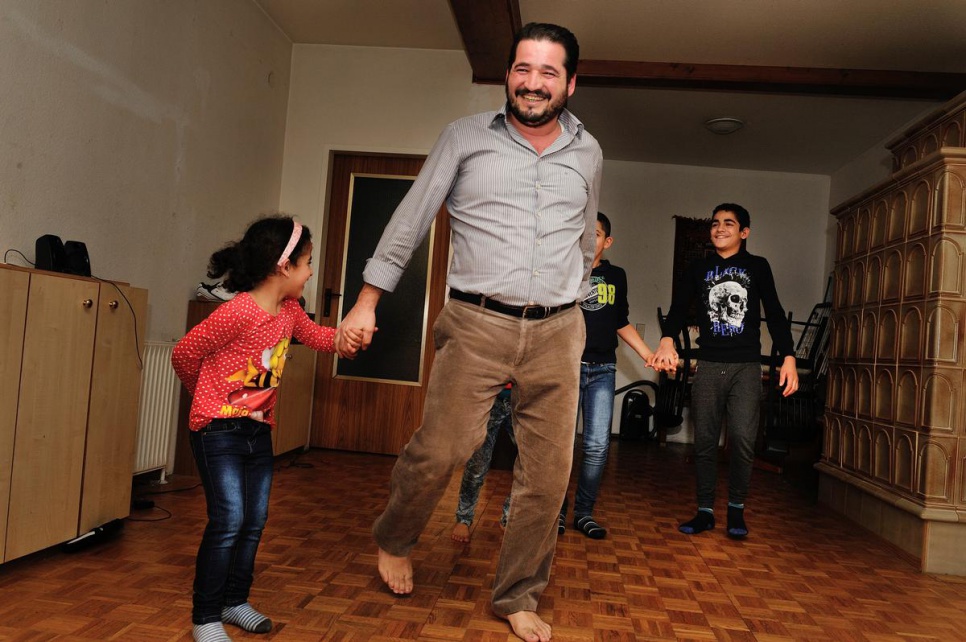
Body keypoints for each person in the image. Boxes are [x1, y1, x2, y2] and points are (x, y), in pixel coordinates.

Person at [335, 22, 601, 642]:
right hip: (477, 320)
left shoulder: (589, 152)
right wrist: (367, 301)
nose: (532, 83)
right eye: (522, 69)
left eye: (548, 72)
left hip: (559, 329)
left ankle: (517, 595)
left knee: (549, 473)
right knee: (444, 448)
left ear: (571, 82)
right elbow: (412, 218)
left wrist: (577, 303)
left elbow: (586, 237)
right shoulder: (465, 138)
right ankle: (395, 537)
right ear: (508, 73)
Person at [172, 216, 358, 642]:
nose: (311, 271)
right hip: (218, 430)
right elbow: (184, 353)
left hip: (257, 431)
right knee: (229, 519)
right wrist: (204, 397)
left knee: (254, 520)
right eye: (308, 262)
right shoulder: (238, 311)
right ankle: (205, 617)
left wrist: (345, 338)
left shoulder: (289, 311)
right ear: (283, 266)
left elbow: (316, 336)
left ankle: (235, 601)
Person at [652, 203, 799, 540]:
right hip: (709, 366)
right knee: (704, 442)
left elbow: (774, 313)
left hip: (746, 366)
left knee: (744, 440)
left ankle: (736, 510)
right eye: (715, 223)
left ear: (744, 232)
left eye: (729, 223)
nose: (720, 228)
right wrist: (666, 340)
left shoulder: (757, 267)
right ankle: (705, 512)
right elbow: (677, 309)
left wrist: (788, 356)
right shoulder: (698, 269)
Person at [560, 212, 655, 540]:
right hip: (566, 368)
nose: (590, 239)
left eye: (596, 234)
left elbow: (621, 319)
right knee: (560, 445)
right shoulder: (565, 270)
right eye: (585, 233)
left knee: (598, 445)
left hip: (602, 370)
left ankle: (584, 513)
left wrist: (647, 354)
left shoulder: (617, 275)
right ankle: (556, 511)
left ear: (607, 241)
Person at [451, 385, 515, 544]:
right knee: (477, 466)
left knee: (531, 465)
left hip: (524, 398)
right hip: (490, 396)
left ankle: (510, 517)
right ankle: (464, 518)